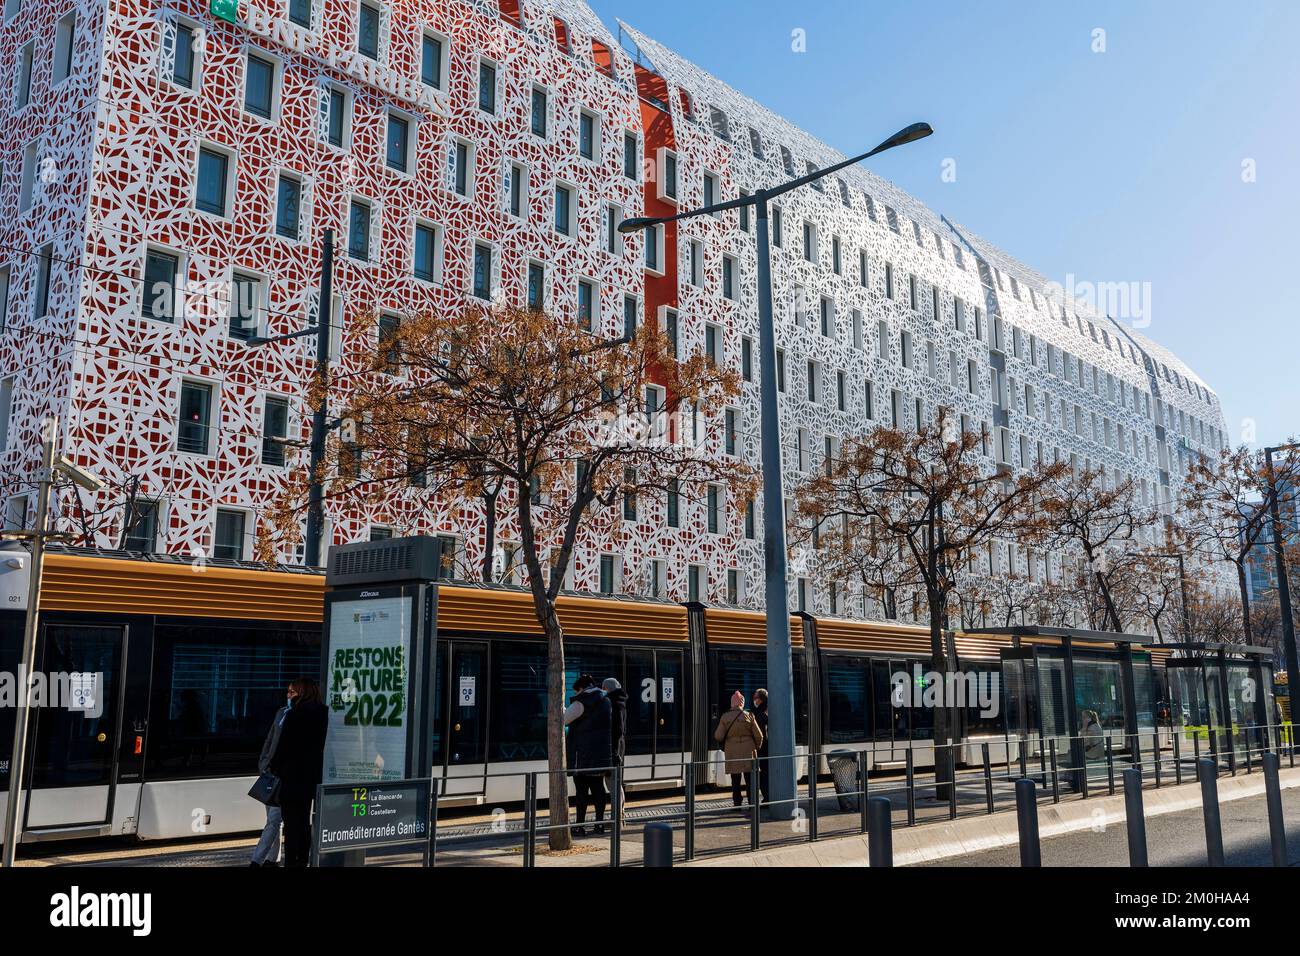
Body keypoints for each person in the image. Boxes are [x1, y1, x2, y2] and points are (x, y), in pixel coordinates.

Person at [270, 677, 328, 867]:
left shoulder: (294, 714)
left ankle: (292, 862)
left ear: (302, 693)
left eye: (292, 692)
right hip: (309, 779)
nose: (288, 696)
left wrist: (274, 767)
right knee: (303, 823)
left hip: (291, 778)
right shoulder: (322, 713)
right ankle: (302, 861)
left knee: (291, 825)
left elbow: (283, 747)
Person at [250, 686, 294, 867]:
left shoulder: (298, 715)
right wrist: (263, 763)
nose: (288, 695)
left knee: (273, 821)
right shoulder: (281, 712)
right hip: (270, 773)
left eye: (293, 692)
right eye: (288, 692)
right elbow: (270, 738)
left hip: (283, 775)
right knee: (273, 820)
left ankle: (256, 860)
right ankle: (273, 859)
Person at [564, 674, 612, 836]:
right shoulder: (606, 701)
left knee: (582, 793)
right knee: (598, 789)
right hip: (601, 753)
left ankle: (580, 825)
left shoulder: (581, 702)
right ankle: (599, 825)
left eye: (576, 691)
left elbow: (563, 719)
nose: (576, 694)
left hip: (582, 754)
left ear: (581, 688)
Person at [714, 690, 763, 808]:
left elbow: (718, 736)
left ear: (732, 702)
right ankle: (752, 802)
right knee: (750, 778)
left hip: (732, 752)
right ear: (742, 703)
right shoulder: (749, 715)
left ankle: (737, 803)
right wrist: (756, 747)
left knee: (735, 779)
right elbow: (759, 735)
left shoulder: (725, 717)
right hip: (748, 750)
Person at [603, 677, 628, 822]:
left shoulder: (614, 703)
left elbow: (618, 729)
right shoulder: (621, 700)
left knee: (613, 783)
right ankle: (620, 814)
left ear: (607, 688)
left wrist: (614, 750)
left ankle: (617, 817)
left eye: (604, 688)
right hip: (618, 747)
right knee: (615, 783)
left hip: (614, 748)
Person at [751, 688, 770, 802]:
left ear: (760, 699)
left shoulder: (761, 712)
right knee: (764, 773)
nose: (754, 699)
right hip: (765, 747)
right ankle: (767, 797)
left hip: (763, 747)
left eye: (755, 697)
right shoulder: (765, 710)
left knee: (763, 774)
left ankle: (767, 797)